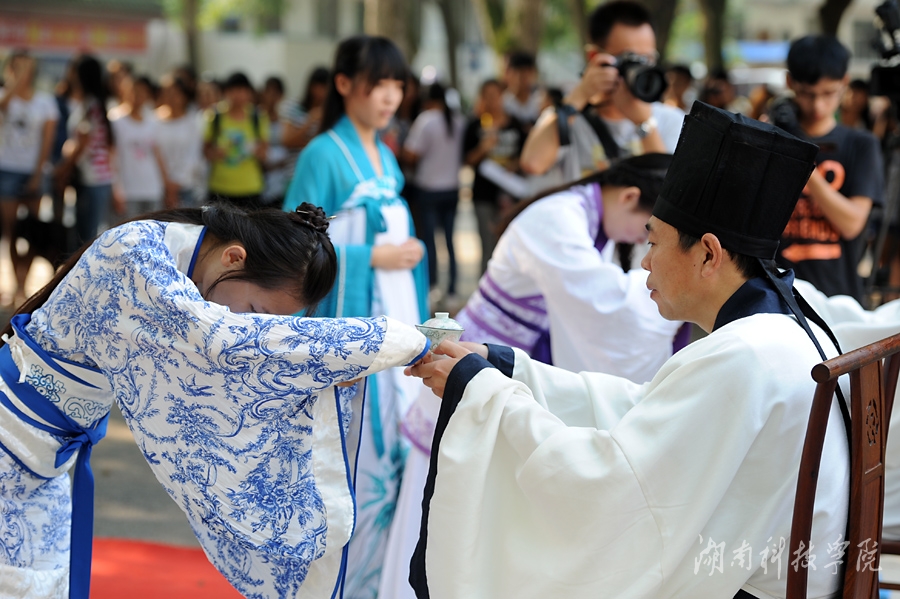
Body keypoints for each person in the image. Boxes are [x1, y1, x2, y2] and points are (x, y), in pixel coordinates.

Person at [407, 102, 850, 598]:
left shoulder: (745, 355)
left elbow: (612, 481)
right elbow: (646, 410)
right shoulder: (783, 327)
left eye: (654, 243)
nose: (644, 263)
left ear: (708, 254)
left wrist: (482, 393)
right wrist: (508, 370)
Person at [0, 201, 429, 599]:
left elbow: (228, 360)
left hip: (44, 450)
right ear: (233, 258)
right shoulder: (135, 252)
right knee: (24, 584)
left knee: (37, 582)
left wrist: (313, 375)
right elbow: (223, 343)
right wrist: (400, 341)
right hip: (12, 437)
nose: (251, 323)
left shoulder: (173, 263)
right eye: (255, 311)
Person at [378, 153, 685, 599]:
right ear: (629, 197)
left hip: (494, 371)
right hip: (467, 368)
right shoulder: (557, 220)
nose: (643, 246)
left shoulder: (581, 216)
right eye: (647, 232)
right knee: (443, 509)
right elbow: (614, 310)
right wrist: (683, 293)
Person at [283, 35, 429, 599]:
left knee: (390, 462)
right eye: (378, 84)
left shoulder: (387, 157)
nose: (390, 96)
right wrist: (374, 256)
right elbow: (295, 246)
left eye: (397, 85)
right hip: (355, 337)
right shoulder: (322, 154)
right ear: (344, 84)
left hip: (393, 327)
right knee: (355, 466)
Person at [519, 0, 684, 184]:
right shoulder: (569, 118)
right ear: (595, 57)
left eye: (647, 59)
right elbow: (532, 164)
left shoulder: (672, 120)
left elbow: (671, 190)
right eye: (628, 59)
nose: (639, 68)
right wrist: (580, 94)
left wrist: (644, 125)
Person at [775, 35, 884, 302]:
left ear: (844, 82)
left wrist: (800, 157)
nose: (818, 105)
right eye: (807, 94)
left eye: (828, 93)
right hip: (778, 294)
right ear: (790, 83)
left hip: (838, 298)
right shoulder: (774, 139)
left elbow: (851, 224)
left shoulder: (861, 144)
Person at [0, 50, 59, 305]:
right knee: (12, 230)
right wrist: (14, 83)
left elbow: (48, 140)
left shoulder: (45, 102)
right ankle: (16, 284)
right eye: (19, 66)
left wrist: (38, 173)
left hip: (34, 171)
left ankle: (25, 283)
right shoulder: (5, 96)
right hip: (7, 169)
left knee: (33, 230)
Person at [402, 82, 465, 304]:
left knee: (429, 241)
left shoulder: (426, 120)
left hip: (428, 188)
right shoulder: (458, 120)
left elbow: (411, 153)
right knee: (449, 240)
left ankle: (432, 286)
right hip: (452, 188)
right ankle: (453, 289)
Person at [463, 79, 528, 274]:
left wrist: (515, 164)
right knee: (487, 245)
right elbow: (467, 160)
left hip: (511, 194)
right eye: (487, 96)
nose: (492, 100)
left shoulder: (515, 124)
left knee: (511, 245)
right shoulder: (475, 125)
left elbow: (527, 157)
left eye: (496, 95)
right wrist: (483, 148)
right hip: (484, 195)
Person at [55, 54, 114, 246]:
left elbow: (83, 142)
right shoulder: (97, 104)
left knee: (84, 239)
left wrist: (64, 168)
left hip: (91, 178)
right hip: (97, 178)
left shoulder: (90, 106)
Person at [203, 72, 269, 207]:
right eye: (234, 90)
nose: (238, 95)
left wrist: (255, 151)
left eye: (243, 90)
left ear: (250, 93)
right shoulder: (214, 116)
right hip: (220, 188)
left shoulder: (258, 117)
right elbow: (205, 151)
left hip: (251, 187)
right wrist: (216, 153)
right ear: (226, 92)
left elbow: (264, 153)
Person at [110, 75, 166, 221]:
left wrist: (165, 184)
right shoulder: (115, 120)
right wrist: (116, 188)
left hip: (152, 188)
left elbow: (157, 154)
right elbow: (111, 156)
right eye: (134, 91)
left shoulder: (153, 121)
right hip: (128, 190)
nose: (138, 96)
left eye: (142, 92)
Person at [156, 75, 202, 208]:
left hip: (185, 187)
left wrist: (176, 183)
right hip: (158, 187)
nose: (171, 97)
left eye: (175, 93)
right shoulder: (153, 120)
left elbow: (193, 155)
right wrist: (166, 181)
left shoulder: (193, 122)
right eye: (167, 92)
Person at [259, 76, 292, 208]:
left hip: (280, 181)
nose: (272, 97)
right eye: (269, 92)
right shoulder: (256, 117)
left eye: (276, 93)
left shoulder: (286, 120)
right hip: (259, 180)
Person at [503, 50, 542, 127]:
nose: (525, 80)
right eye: (521, 75)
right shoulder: (503, 103)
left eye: (528, 74)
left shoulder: (540, 100)